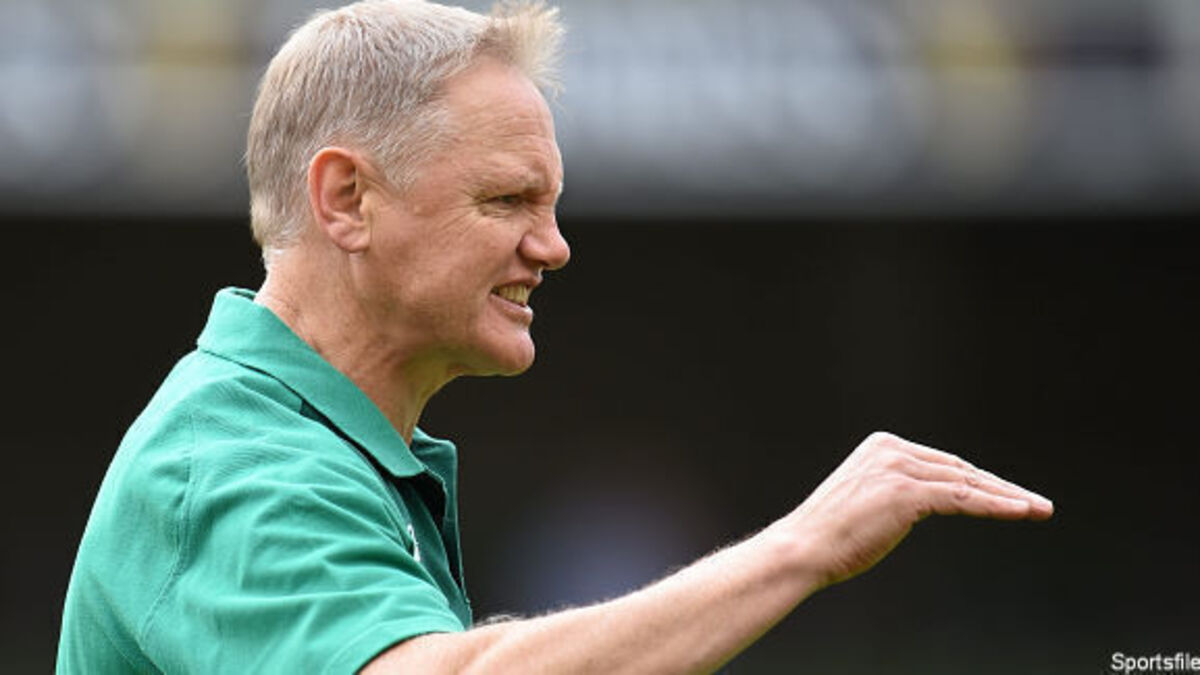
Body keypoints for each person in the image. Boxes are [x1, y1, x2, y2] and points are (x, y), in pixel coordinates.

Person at [57, 1, 1054, 672]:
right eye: (507, 200)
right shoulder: (230, 462)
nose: (555, 246)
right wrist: (801, 547)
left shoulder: (315, 445)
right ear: (346, 198)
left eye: (553, 204)